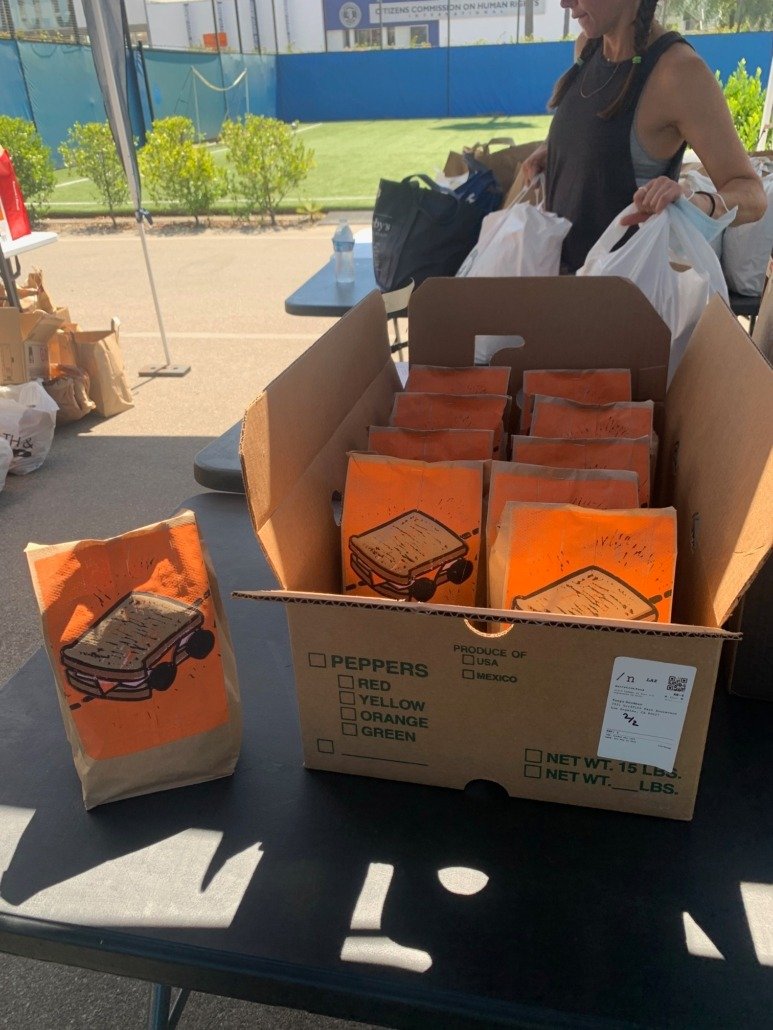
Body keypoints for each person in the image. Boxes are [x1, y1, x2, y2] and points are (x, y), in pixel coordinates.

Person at [522, 0, 767, 273]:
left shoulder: (678, 72)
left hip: (623, 300)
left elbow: (752, 195)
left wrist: (697, 202)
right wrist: (557, 150)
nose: (564, 3)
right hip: (560, 282)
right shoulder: (587, 46)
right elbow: (598, 138)